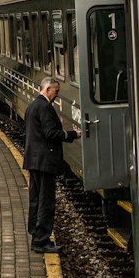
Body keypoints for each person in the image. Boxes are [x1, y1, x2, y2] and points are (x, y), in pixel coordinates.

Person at [23, 76, 81, 254]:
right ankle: (41, 241)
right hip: (45, 162)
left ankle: (36, 235)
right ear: (47, 89)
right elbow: (51, 134)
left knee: (36, 200)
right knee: (46, 202)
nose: (57, 95)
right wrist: (72, 134)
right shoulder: (45, 107)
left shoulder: (33, 105)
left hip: (34, 160)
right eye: (56, 91)